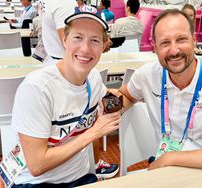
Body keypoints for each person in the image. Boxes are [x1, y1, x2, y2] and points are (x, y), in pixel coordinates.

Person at [117, 9, 202, 170]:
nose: (174, 50)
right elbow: (125, 94)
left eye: (181, 39)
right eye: (165, 43)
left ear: (194, 40)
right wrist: (107, 106)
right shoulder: (147, 75)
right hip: (165, 170)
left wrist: (171, 158)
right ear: (154, 47)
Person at [11, 5, 121, 187]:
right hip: (36, 183)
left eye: (95, 40)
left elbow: (108, 97)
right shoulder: (37, 88)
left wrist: (131, 95)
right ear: (64, 39)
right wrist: (94, 132)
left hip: (80, 177)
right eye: (78, 38)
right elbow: (37, 165)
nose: (85, 49)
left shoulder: (93, 78)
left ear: (104, 46)